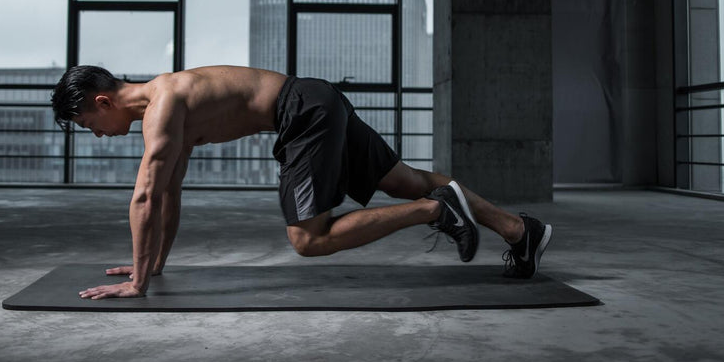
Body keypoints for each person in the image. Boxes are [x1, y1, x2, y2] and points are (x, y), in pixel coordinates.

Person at [51, 65, 552, 299]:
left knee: (309, 239)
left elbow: (144, 195)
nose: (97, 136)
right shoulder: (168, 101)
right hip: (316, 98)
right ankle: (518, 230)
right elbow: (168, 192)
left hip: (302, 112)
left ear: (103, 102)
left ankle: (436, 211)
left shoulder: (162, 109)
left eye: (90, 126)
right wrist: (153, 265)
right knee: (407, 179)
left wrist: (137, 285)